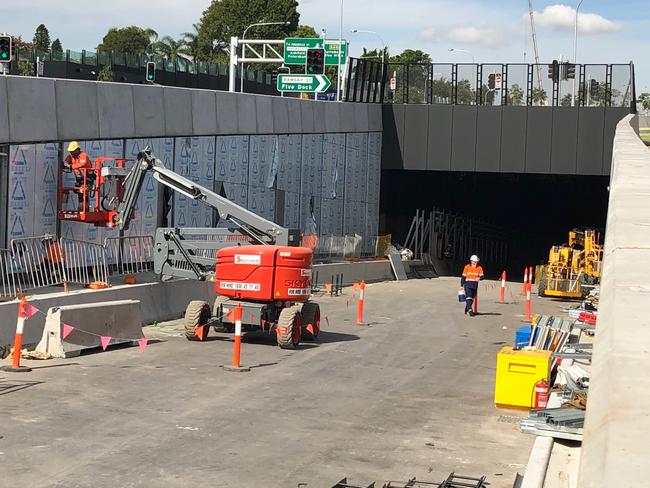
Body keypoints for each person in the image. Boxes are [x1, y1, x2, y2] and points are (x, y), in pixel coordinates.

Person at [64, 141, 95, 211]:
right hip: (79, 178)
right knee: (79, 192)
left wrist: (71, 166)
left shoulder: (83, 155)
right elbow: (66, 162)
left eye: (73, 151)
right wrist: (65, 164)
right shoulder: (71, 156)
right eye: (70, 151)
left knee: (83, 191)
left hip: (87, 178)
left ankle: (84, 209)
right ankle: (82, 208)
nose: (71, 153)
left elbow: (82, 164)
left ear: (77, 149)